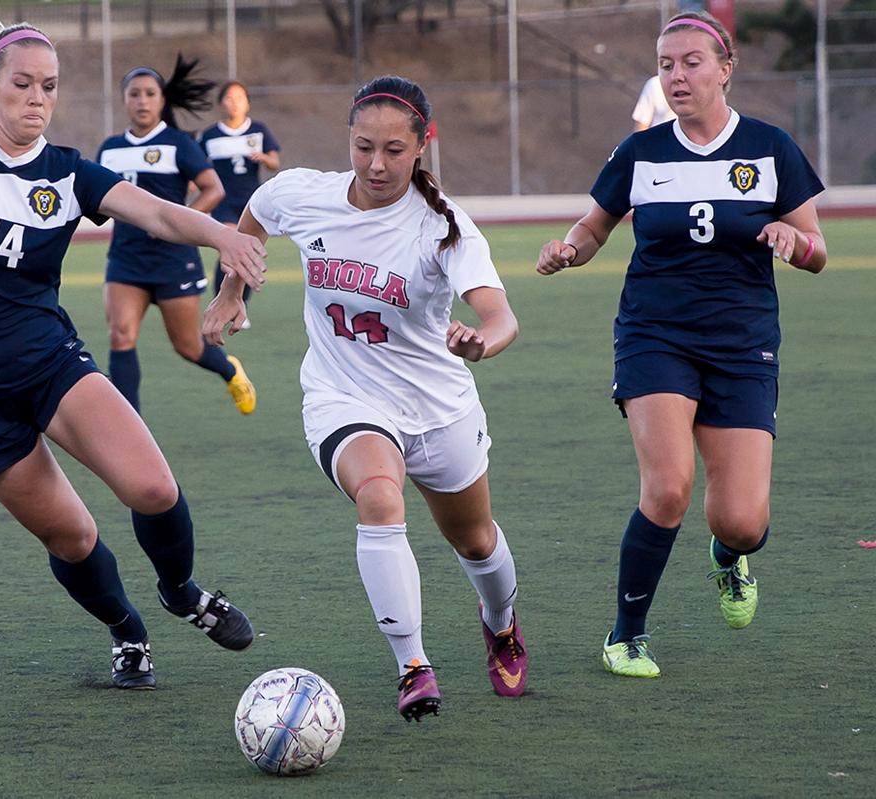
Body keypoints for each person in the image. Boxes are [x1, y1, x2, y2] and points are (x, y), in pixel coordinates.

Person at [0, 22, 269, 689]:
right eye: (21, 84)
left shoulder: (66, 172)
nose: (36, 99)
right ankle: (128, 631)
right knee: (72, 537)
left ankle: (181, 592)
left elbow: (154, 213)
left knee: (154, 487)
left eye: (49, 87)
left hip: (50, 363)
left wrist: (220, 233)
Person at [204, 75, 530, 720]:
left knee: (476, 542)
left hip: (439, 410)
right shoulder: (302, 193)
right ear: (347, 142)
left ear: (421, 148)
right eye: (362, 148)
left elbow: (502, 318)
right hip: (342, 396)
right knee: (380, 496)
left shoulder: (444, 227)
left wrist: (480, 343)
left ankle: (501, 623)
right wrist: (231, 293)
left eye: (393, 150)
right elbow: (251, 224)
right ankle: (413, 665)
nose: (376, 164)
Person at [536, 11, 827, 679]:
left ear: (725, 69)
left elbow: (818, 251)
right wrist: (569, 249)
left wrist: (794, 241)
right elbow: (594, 225)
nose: (676, 76)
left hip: (742, 342)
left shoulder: (769, 145)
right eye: (666, 64)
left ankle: (729, 557)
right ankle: (625, 635)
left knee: (743, 519)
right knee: (668, 487)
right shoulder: (641, 153)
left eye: (691, 62)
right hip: (655, 334)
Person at [97, 57, 256, 415]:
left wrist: (177, 228)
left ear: (161, 100)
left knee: (188, 345)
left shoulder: (179, 144)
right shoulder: (109, 149)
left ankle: (230, 370)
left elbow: (212, 189)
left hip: (173, 260)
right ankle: (129, 427)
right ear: (124, 100)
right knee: (120, 336)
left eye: (150, 94)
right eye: (134, 94)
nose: (142, 101)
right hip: (125, 260)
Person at [197, 80, 281, 321]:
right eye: (229, 98)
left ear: (248, 103)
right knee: (230, 251)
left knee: (248, 254)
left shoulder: (259, 130)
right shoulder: (210, 136)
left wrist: (264, 158)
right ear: (221, 103)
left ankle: (240, 306)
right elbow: (198, 170)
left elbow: (275, 163)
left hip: (251, 203)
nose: (234, 103)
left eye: (240, 98)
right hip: (223, 202)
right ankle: (220, 303)